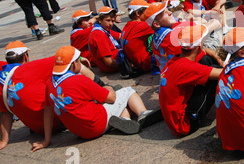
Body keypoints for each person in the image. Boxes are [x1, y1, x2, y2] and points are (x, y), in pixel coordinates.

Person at [30, 46, 163, 151]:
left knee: (118, 103)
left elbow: (48, 112)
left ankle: (124, 120)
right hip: (96, 123)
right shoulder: (78, 80)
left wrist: (46, 140)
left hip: (80, 132)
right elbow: (110, 98)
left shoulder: (49, 83)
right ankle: (143, 114)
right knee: (127, 91)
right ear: (74, 64)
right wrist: (109, 88)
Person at [158, 23, 222, 137]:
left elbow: (206, 51)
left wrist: (217, 57)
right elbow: (224, 73)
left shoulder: (177, 59)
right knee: (218, 76)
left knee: (206, 59)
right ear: (200, 44)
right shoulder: (186, 67)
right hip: (184, 124)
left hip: (173, 116)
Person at [145, 1, 222, 71]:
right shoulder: (171, 36)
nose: (170, 13)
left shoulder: (157, 35)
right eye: (164, 13)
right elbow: (193, 54)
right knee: (215, 33)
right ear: (156, 24)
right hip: (184, 71)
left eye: (167, 9)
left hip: (171, 72)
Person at [121, 0, 154, 73]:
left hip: (136, 63)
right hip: (146, 64)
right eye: (146, 12)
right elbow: (161, 24)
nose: (148, 14)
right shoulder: (141, 25)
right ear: (138, 13)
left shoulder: (127, 25)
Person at [88, 6, 122, 73]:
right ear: (100, 20)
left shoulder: (104, 29)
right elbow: (108, 62)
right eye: (108, 20)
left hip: (116, 56)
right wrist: (127, 65)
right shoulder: (99, 34)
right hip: (111, 66)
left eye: (112, 21)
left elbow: (121, 36)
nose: (111, 24)